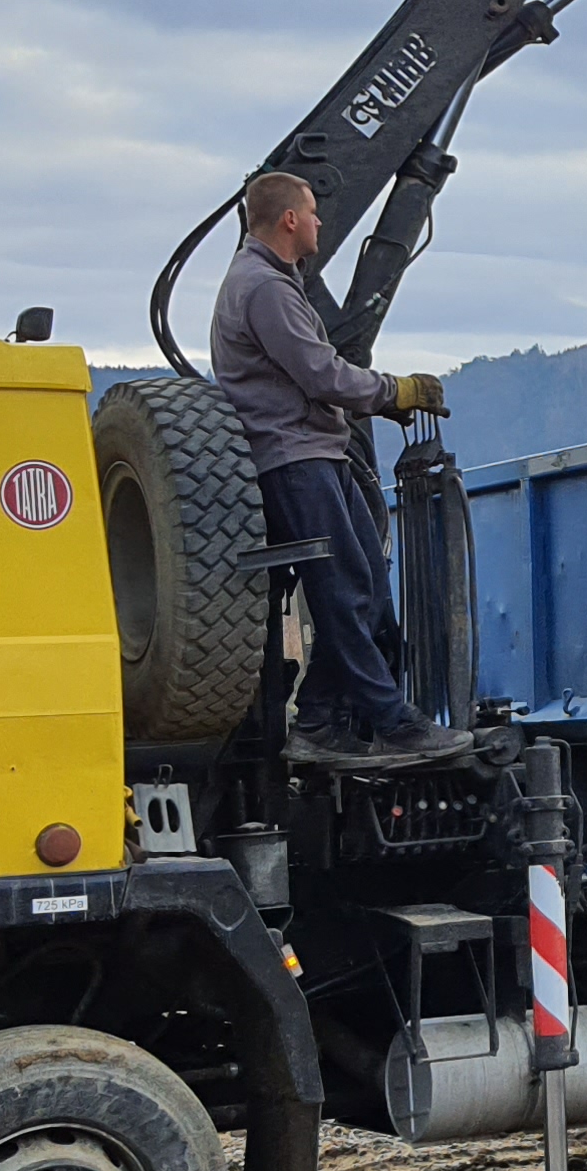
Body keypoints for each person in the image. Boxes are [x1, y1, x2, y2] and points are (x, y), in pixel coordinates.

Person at [212, 171, 475, 763]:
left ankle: (321, 722)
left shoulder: (272, 282)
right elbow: (322, 373)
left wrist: (384, 399)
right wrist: (393, 392)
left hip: (318, 453)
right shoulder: (265, 289)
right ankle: (392, 722)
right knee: (344, 592)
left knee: (368, 589)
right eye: (312, 212)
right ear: (288, 220)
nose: (319, 223)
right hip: (294, 459)